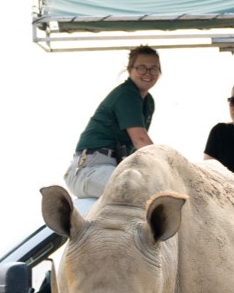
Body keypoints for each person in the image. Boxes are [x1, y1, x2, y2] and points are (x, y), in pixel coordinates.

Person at [63, 45, 161, 199]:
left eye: (154, 68)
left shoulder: (148, 102)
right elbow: (140, 140)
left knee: (157, 189)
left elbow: (138, 150)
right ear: (130, 70)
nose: (148, 73)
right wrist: (168, 165)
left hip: (114, 167)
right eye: (141, 68)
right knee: (143, 191)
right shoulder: (126, 94)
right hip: (90, 169)